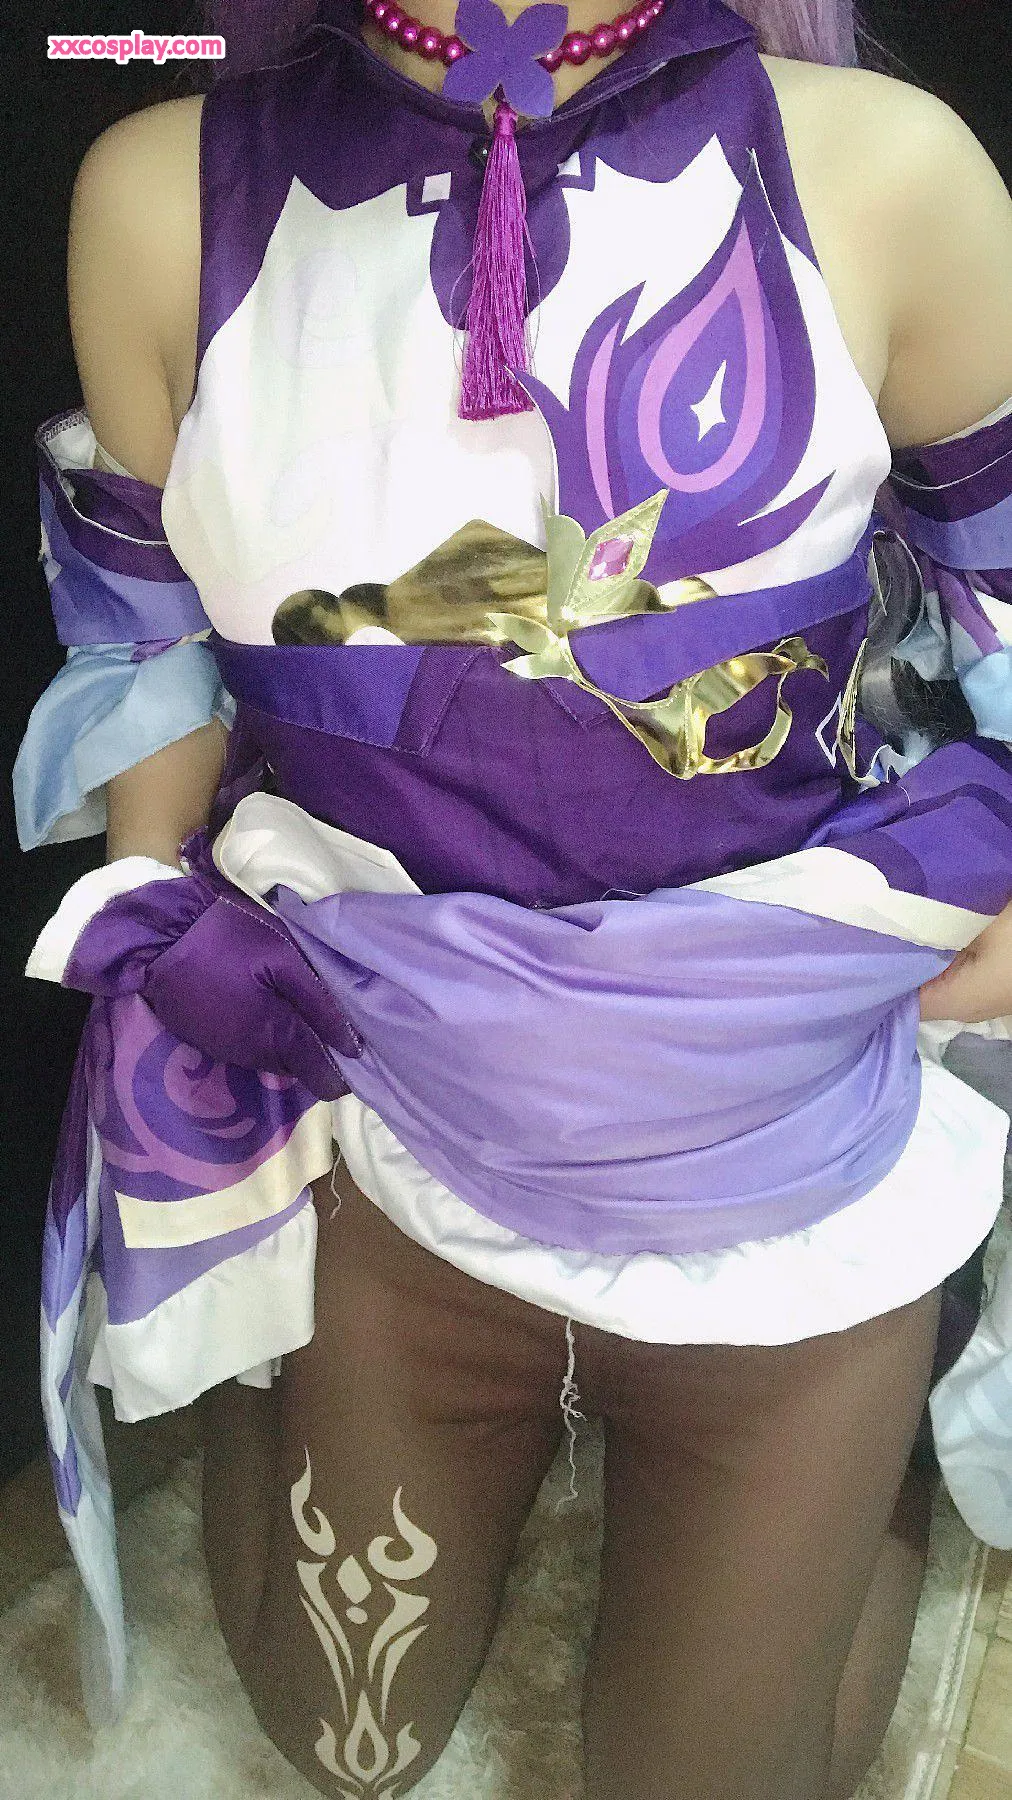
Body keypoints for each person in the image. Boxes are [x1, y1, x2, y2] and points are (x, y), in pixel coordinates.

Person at [13, 0, 1012, 1794]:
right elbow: (148, 631)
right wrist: (154, 922)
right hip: (398, 1112)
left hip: (785, 1137)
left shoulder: (886, 166)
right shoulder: (160, 194)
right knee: (348, 1739)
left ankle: (856, 1493)